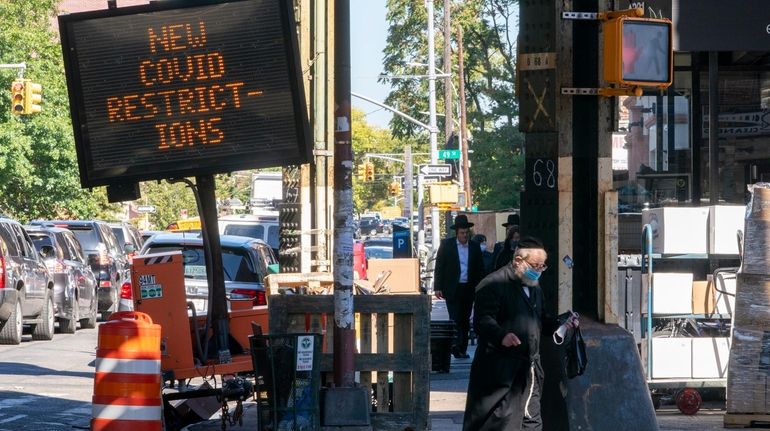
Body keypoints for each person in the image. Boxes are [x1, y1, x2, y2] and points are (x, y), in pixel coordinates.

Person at [463, 236, 579, 431]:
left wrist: (564, 323)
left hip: (530, 368)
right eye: (535, 265)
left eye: (542, 266)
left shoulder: (534, 287)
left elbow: (541, 319)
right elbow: (482, 320)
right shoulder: (492, 283)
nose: (539, 271)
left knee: (531, 421)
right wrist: (502, 336)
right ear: (518, 260)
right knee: (501, 422)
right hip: (500, 370)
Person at [434, 215, 485, 359]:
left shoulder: (474, 247)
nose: (465, 235)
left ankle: (461, 348)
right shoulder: (446, 245)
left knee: (465, 318)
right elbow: (440, 267)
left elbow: (480, 269)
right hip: (452, 288)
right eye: (462, 233)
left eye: (466, 233)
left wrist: (481, 287)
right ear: (456, 233)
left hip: (468, 288)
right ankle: (455, 346)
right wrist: (438, 286)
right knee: (454, 318)